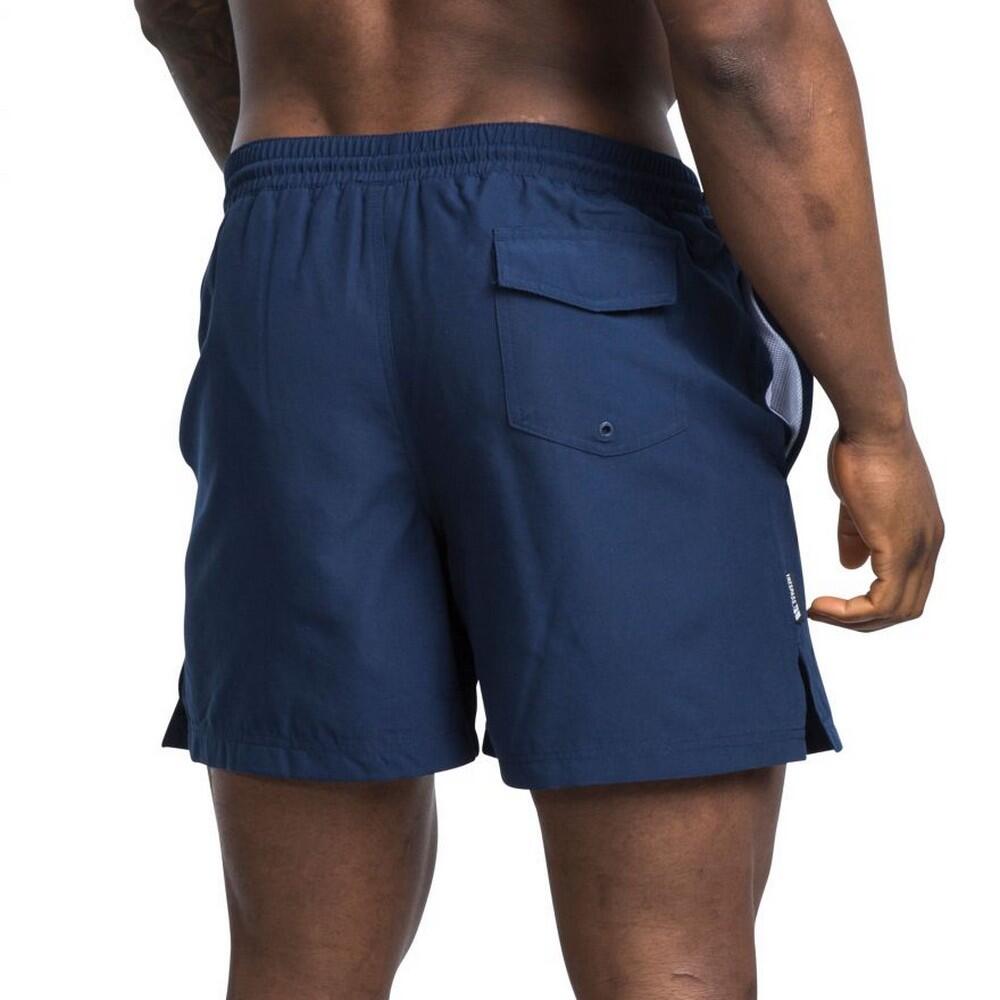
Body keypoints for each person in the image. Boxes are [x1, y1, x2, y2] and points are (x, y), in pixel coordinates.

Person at [136, 1, 944, 997]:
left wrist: (323, 209)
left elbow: (176, 9)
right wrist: (878, 421)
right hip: (576, 260)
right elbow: (742, 33)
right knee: (666, 957)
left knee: (296, 963)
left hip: (288, 269)